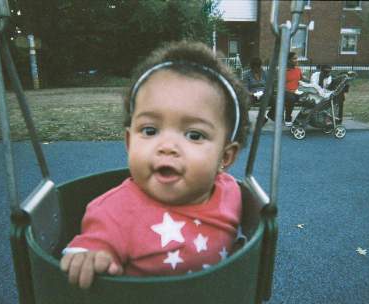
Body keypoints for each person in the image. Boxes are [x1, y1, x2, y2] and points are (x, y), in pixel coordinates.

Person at [59, 41, 250, 289]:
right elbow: (93, 243)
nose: (167, 146)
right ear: (129, 141)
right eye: (150, 130)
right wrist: (91, 256)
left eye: (194, 135)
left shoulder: (229, 191)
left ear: (225, 158)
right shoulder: (115, 211)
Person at [266, 51, 305, 126]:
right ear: (288, 60)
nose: (296, 60)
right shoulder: (283, 71)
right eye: (294, 58)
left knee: (308, 98)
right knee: (291, 98)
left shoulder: (298, 70)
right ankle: (288, 118)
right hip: (285, 92)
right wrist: (289, 91)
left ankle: (303, 118)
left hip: (297, 92)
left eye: (297, 58)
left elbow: (301, 80)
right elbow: (278, 85)